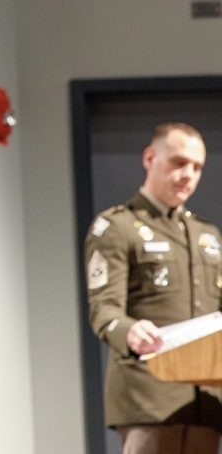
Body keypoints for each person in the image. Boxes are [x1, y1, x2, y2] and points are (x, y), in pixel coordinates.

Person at [85, 123, 222, 453]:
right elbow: (104, 309)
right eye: (179, 162)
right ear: (150, 158)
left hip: (205, 403)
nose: (188, 174)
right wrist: (131, 332)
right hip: (149, 398)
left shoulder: (207, 235)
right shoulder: (118, 226)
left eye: (197, 167)